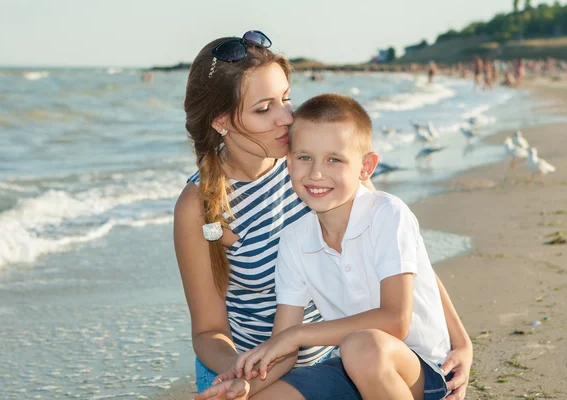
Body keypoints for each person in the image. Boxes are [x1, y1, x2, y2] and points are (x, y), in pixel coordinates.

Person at [176, 31, 472, 400]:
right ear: (221, 122)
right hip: (249, 364)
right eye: (263, 108)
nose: (286, 118)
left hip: (348, 355)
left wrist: (461, 341)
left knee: (362, 354)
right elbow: (207, 331)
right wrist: (244, 375)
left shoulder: (314, 165)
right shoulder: (200, 204)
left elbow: (403, 257)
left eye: (286, 99)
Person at [232, 94, 472, 400]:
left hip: (425, 372)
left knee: (360, 346)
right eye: (305, 157)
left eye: (334, 159)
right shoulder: (294, 240)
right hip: (350, 368)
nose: (316, 172)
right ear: (289, 163)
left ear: (366, 167)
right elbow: (285, 349)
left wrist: (298, 335)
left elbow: (394, 322)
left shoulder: (387, 214)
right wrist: (246, 386)